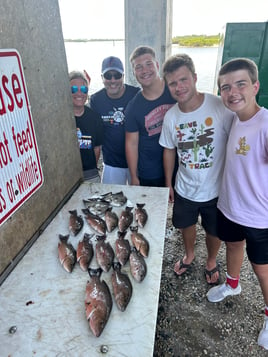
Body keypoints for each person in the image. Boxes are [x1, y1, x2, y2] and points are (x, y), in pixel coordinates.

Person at [206, 58, 268, 349]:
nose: (232, 92)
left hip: (260, 216)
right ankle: (232, 284)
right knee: (233, 246)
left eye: (241, 84)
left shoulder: (265, 124)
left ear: (255, 86)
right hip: (229, 206)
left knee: (262, 270)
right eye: (225, 87)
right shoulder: (231, 118)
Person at [159, 54, 234, 284]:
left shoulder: (220, 107)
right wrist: (169, 184)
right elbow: (169, 149)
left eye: (183, 80)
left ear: (194, 77)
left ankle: (211, 260)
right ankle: (189, 254)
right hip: (185, 187)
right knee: (186, 225)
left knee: (214, 230)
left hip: (216, 190)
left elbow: (239, 139)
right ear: (168, 86)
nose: (179, 87)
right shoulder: (171, 117)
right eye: (173, 83)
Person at [125, 45, 176, 187]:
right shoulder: (133, 107)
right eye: (138, 67)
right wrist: (134, 177)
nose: (144, 70)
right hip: (150, 171)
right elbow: (131, 143)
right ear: (134, 73)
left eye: (149, 64)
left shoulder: (174, 90)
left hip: (180, 164)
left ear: (157, 65)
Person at [90, 56, 140, 184]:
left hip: (137, 162)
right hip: (112, 163)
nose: (113, 80)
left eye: (117, 75)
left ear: (123, 76)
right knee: (111, 201)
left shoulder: (136, 94)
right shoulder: (96, 100)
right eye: (108, 75)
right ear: (102, 78)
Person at [69, 70, 103, 182]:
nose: (79, 93)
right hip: (67, 175)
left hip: (90, 174)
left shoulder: (95, 118)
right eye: (73, 89)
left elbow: (97, 148)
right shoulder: (60, 118)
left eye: (83, 89)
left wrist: (91, 169)